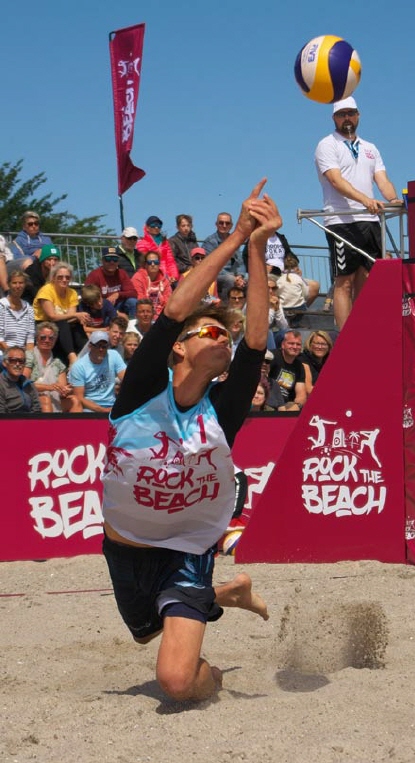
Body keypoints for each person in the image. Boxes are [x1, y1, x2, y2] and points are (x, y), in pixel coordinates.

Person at [100, 179, 276, 702]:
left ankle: (213, 667)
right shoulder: (140, 392)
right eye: (212, 332)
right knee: (147, 632)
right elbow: (176, 306)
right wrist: (235, 234)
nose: (223, 338)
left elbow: (257, 341)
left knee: (177, 681)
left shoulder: (221, 410)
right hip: (126, 549)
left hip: (187, 550)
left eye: (226, 334)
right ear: (178, 349)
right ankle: (228, 595)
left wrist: (258, 248)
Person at [315, 96, 402, 329]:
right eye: (342, 114)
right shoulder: (327, 144)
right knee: (344, 281)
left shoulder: (370, 148)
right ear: (334, 117)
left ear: (358, 115)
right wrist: (366, 200)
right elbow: (335, 180)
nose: (347, 118)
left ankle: (362, 330)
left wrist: (392, 199)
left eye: (351, 113)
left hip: (370, 220)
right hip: (340, 220)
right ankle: (345, 336)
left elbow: (381, 179)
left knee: (367, 278)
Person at [33, 261, 89, 366]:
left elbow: (71, 317)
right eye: (60, 277)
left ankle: (86, 354)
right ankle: (72, 357)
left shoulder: (72, 293)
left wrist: (79, 317)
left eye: (67, 277)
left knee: (76, 325)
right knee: (63, 323)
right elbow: (52, 316)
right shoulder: (46, 290)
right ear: (53, 278)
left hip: (61, 324)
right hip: (42, 323)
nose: (64, 280)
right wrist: (76, 315)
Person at [24, 322, 81, 413]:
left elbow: (61, 388)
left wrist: (65, 390)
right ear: (37, 338)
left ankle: (73, 427)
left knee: (74, 400)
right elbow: (24, 383)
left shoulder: (58, 363)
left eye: (51, 338)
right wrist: (49, 387)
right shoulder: (29, 356)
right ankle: (49, 427)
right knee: (45, 399)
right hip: (32, 398)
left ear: (55, 340)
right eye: (43, 337)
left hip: (53, 398)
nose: (47, 340)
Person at [69, 331, 126, 413]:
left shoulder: (114, 355)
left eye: (104, 346)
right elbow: (79, 397)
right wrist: (102, 410)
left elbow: (126, 379)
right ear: (90, 346)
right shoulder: (79, 366)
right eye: (98, 346)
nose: (101, 349)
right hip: (89, 408)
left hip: (112, 405)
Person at [86, 247, 138, 318]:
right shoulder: (94, 275)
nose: (112, 262)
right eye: (108, 259)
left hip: (119, 305)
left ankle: (133, 325)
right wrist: (107, 304)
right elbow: (88, 296)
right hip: (102, 307)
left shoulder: (122, 273)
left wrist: (118, 294)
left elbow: (133, 293)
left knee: (133, 302)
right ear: (102, 261)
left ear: (118, 262)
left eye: (115, 259)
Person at [268, 329, 309, 412]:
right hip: (268, 400)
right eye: (291, 343)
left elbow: (301, 395)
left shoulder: (299, 366)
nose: (295, 347)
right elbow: (262, 381)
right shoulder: (272, 356)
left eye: (298, 344)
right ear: (283, 345)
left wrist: (297, 406)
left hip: (285, 405)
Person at [201, 212, 238, 298]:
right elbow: (210, 265)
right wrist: (233, 276)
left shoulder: (234, 240)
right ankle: (225, 308)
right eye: (221, 223)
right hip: (215, 275)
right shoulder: (210, 241)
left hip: (232, 274)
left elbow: (239, 262)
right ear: (216, 224)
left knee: (249, 280)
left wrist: (240, 275)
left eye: (227, 223)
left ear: (231, 225)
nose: (224, 225)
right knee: (229, 280)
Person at [0, 270, 35, 355]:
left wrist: (27, 358)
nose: (18, 286)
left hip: (22, 356)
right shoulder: (1, 306)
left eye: (21, 283)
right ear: (9, 284)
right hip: (3, 354)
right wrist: (13, 355)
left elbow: (30, 339)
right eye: (14, 283)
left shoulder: (29, 309)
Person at [136, 216, 178, 283]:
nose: (156, 227)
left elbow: (170, 261)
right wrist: (161, 276)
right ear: (147, 227)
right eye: (153, 225)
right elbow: (145, 263)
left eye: (159, 225)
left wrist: (173, 276)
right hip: (152, 276)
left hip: (168, 277)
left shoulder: (165, 242)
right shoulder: (141, 244)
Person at [0, 347, 40, 414]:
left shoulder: (29, 384)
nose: (18, 364)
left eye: (21, 361)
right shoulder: (1, 383)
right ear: (4, 363)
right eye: (13, 360)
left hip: (29, 421)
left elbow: (37, 409)